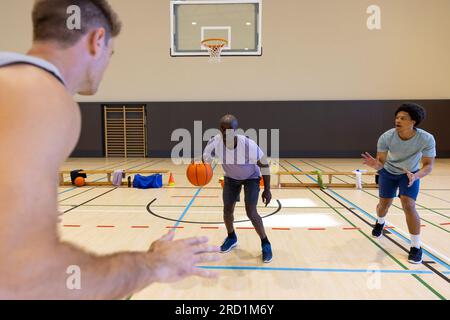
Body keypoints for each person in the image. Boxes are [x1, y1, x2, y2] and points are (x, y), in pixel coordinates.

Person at [0, 0, 219, 299]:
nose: (107, 64)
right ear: (97, 40)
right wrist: (154, 265)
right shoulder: (40, 94)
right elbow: (30, 278)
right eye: (111, 54)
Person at [362, 103, 436, 264]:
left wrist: (416, 176)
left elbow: (428, 165)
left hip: (410, 174)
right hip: (388, 173)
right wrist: (376, 165)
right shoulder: (386, 136)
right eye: (397, 117)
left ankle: (416, 247)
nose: (398, 120)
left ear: (413, 122)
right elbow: (380, 162)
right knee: (384, 205)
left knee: (408, 205)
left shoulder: (426, 138)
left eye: (403, 118)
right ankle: (380, 222)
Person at [203, 115, 273, 263]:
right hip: (231, 178)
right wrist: (198, 164)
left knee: (251, 212)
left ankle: (265, 243)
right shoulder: (215, 142)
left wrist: (267, 189)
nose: (224, 131)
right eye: (222, 128)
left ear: (235, 130)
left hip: (251, 178)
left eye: (228, 128)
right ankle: (231, 237)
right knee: (227, 211)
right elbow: (205, 159)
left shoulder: (247, 144)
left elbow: (264, 165)